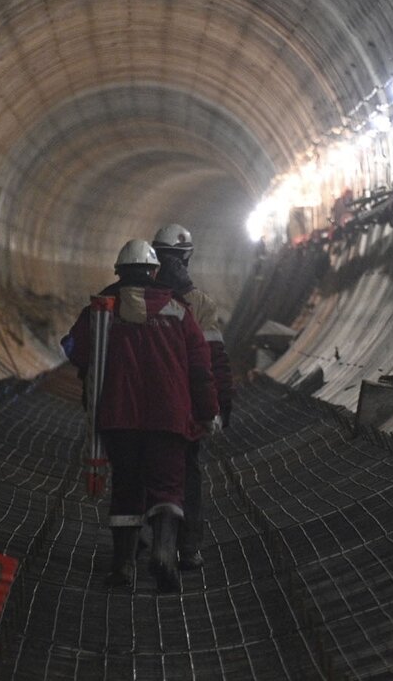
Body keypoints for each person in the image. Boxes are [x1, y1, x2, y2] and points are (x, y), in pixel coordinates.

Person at [63, 239, 218, 592]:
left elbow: (75, 349)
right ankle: (164, 554)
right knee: (167, 487)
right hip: (170, 416)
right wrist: (207, 411)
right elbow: (201, 367)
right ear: (154, 272)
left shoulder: (101, 309)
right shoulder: (178, 310)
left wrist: (77, 350)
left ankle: (123, 567)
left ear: (119, 272)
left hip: (119, 416)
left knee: (127, 488)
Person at [151, 224, 234, 571]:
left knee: (147, 474)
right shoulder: (198, 304)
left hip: (144, 407)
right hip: (185, 409)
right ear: (187, 257)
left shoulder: (138, 298)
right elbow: (212, 361)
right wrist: (219, 406)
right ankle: (187, 548)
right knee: (188, 475)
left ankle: (149, 542)